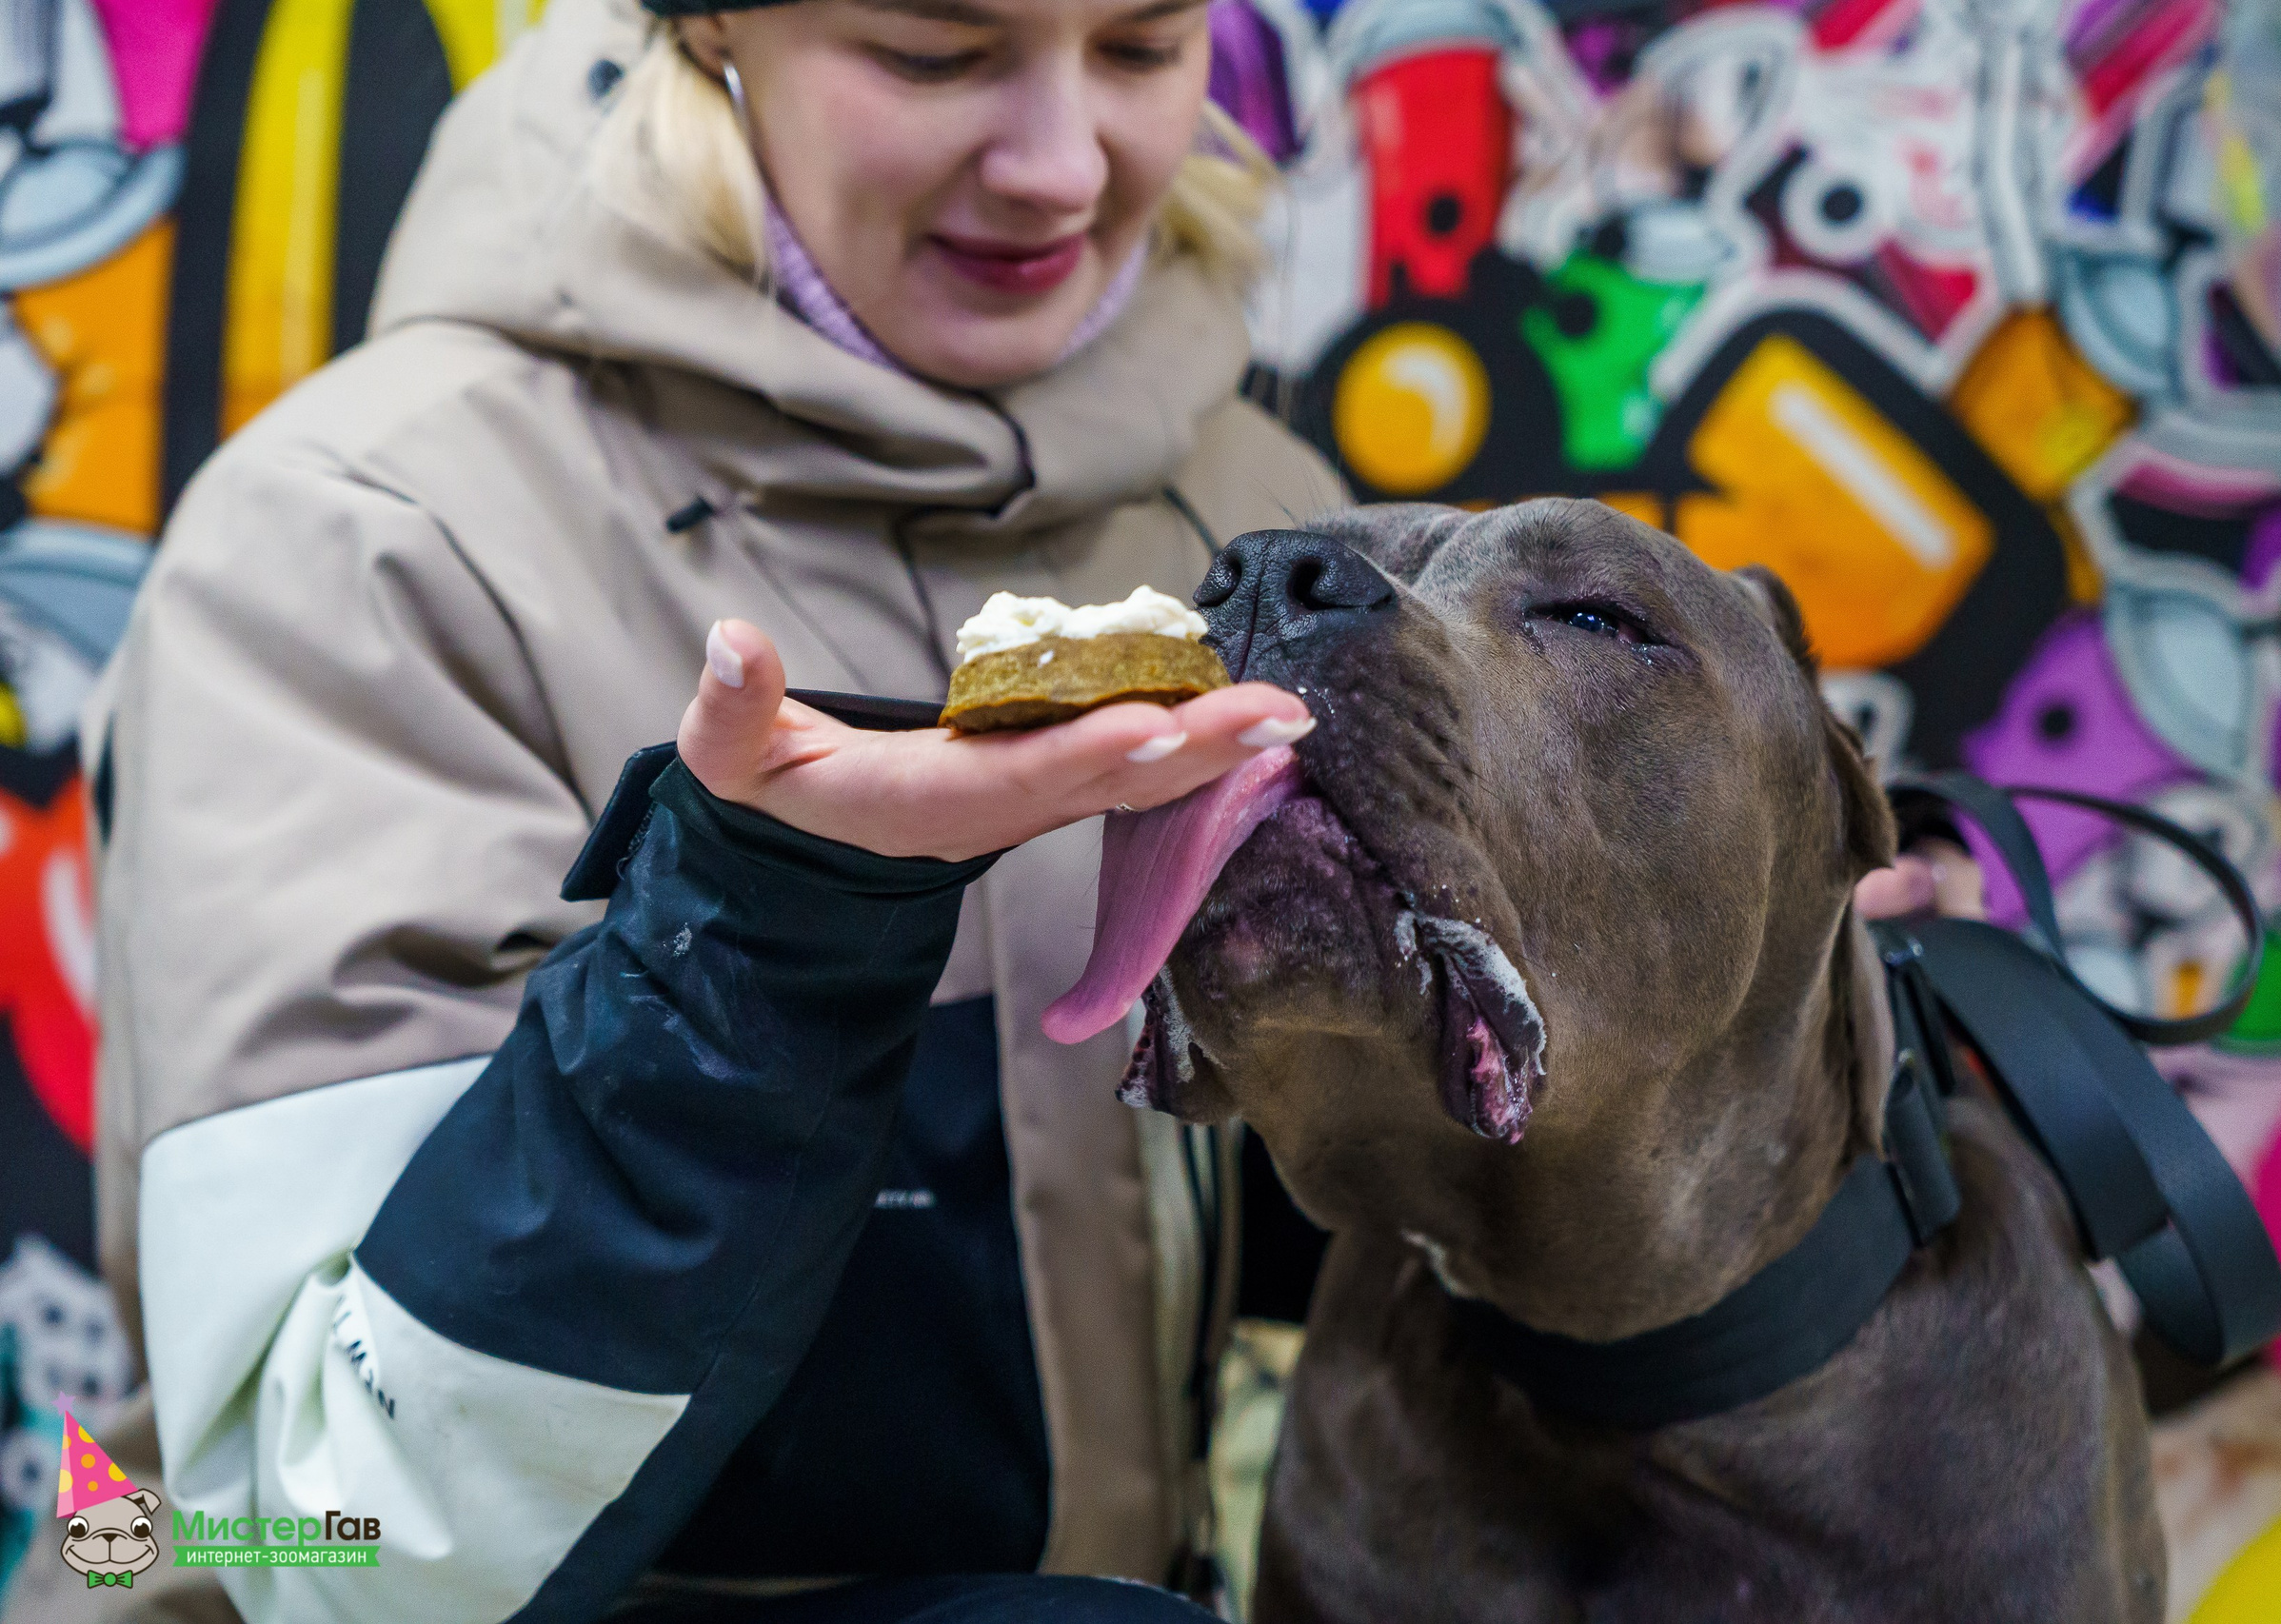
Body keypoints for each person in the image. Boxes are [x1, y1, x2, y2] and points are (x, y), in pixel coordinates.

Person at [77, 0, 1344, 1616]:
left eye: (1144, 49)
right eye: (935, 56)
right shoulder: (366, 544)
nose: (1060, 164)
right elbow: (324, 1532)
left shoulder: (1253, 514)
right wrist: (764, 945)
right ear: (712, 28)